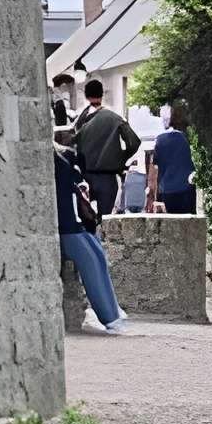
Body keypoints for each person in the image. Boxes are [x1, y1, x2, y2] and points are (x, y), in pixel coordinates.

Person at [56, 143, 127, 333]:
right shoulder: (59, 157)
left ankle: (113, 310)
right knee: (91, 261)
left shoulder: (62, 156)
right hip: (66, 227)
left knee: (97, 255)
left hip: (71, 223)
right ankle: (109, 317)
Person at [74, 78, 142, 219]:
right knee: (105, 222)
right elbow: (134, 142)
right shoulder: (115, 118)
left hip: (85, 178)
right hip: (108, 179)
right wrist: (120, 158)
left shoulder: (80, 121)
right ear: (102, 95)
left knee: (86, 221)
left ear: (86, 96)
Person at [147, 99, 198, 215]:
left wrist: (152, 195)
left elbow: (154, 169)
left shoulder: (160, 141)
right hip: (187, 189)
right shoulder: (189, 139)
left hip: (167, 191)